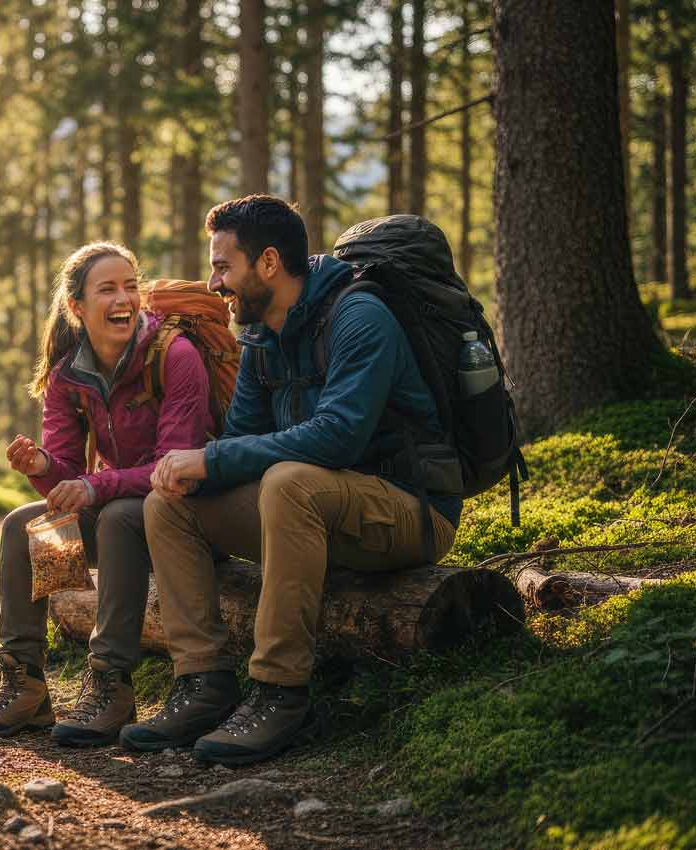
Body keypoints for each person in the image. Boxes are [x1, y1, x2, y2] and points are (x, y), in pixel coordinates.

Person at [119, 195, 461, 764]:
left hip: (409, 512)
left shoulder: (360, 316)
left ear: (269, 263)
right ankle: (203, 684)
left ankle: (280, 693)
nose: (214, 283)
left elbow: (339, 437)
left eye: (224, 267)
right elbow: (242, 439)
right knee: (169, 505)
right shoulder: (261, 338)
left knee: (287, 481)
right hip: (310, 512)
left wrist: (215, 461)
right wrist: (192, 465)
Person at [0, 241, 214, 747]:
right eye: (108, 289)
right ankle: (25, 682)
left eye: (130, 285)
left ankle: (111, 683)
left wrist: (90, 485)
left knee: (120, 514)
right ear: (77, 307)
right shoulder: (67, 376)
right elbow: (67, 479)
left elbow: (174, 467)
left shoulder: (176, 356)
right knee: (21, 525)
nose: (124, 297)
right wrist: (42, 467)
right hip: (121, 513)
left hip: (187, 516)